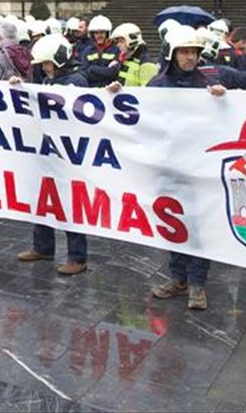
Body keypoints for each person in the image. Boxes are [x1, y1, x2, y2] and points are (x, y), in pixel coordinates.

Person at [130, 26, 229, 310]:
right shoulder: (158, 85)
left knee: (198, 225)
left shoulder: (210, 83)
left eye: (194, 52)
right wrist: (116, 95)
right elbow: (141, 119)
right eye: (184, 52)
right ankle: (178, 278)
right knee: (173, 223)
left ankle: (198, 283)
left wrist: (224, 100)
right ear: (172, 55)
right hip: (169, 166)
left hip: (199, 167)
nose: (190, 57)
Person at [16, 34, 90, 275]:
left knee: (70, 204)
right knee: (42, 200)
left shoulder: (75, 82)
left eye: (47, 64)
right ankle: (43, 246)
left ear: (58, 61)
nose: (44, 68)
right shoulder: (50, 81)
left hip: (69, 155)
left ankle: (77, 257)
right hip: (47, 150)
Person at [79, 16, 121, 87]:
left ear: (107, 33)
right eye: (96, 33)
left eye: (102, 32)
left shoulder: (116, 50)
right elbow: (84, 73)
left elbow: (113, 73)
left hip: (110, 91)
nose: (99, 35)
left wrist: (92, 69)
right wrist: (105, 71)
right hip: (92, 90)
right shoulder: (87, 51)